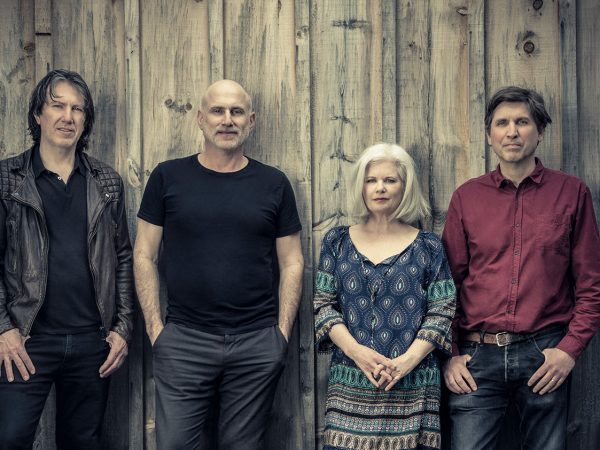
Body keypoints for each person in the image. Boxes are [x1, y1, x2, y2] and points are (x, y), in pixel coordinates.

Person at [134, 79, 304, 450]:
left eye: (236, 111)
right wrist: (156, 329)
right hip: (184, 340)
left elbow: (292, 261)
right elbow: (144, 253)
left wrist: (280, 334)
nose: (227, 119)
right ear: (200, 118)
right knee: (175, 445)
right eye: (217, 110)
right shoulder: (167, 177)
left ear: (251, 121)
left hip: (256, 341)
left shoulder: (273, 183)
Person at [442, 86, 600, 450]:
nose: (512, 131)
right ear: (489, 135)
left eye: (522, 122)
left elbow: (591, 284)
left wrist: (569, 349)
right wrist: (449, 355)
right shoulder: (467, 197)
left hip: (544, 354)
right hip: (475, 357)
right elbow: (446, 286)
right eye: (502, 123)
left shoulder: (571, 193)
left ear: (540, 131)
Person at [0, 69, 134, 450]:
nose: (68, 117)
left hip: (92, 341)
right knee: (10, 438)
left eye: (77, 109)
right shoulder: (7, 179)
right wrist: (3, 329)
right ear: (37, 114)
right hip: (26, 340)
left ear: (85, 119)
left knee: (82, 442)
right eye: (57, 106)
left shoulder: (106, 182)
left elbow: (123, 257)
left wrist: (123, 328)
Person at [314, 143, 456, 450]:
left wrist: (407, 361)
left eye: (390, 180)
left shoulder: (428, 246)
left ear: (405, 187)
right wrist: (357, 352)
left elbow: (442, 309)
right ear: (361, 186)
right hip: (350, 383)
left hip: (413, 387)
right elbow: (323, 305)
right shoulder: (337, 242)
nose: (380, 188)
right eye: (371, 180)